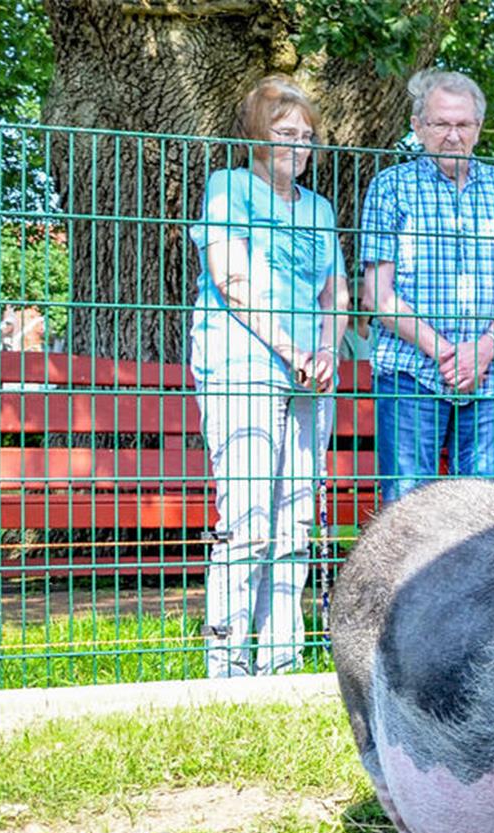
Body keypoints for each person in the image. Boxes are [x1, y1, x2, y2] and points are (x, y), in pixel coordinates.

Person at [187, 74, 348, 677]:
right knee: (249, 513)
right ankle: (227, 665)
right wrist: (288, 347)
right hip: (244, 357)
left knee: (296, 515)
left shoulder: (320, 209)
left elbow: (335, 291)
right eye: (285, 133)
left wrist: (326, 350)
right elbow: (232, 279)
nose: (298, 146)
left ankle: (280, 663)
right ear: (257, 136)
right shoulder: (228, 188)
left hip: (311, 370)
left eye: (307, 137)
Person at [358, 69, 494, 502]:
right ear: (418, 127)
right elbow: (377, 296)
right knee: (406, 511)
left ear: (478, 128)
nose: (453, 135)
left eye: (463, 125)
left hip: (489, 376)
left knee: (483, 516)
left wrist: (484, 348)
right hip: (410, 373)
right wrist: (446, 353)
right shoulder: (391, 188)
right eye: (441, 124)